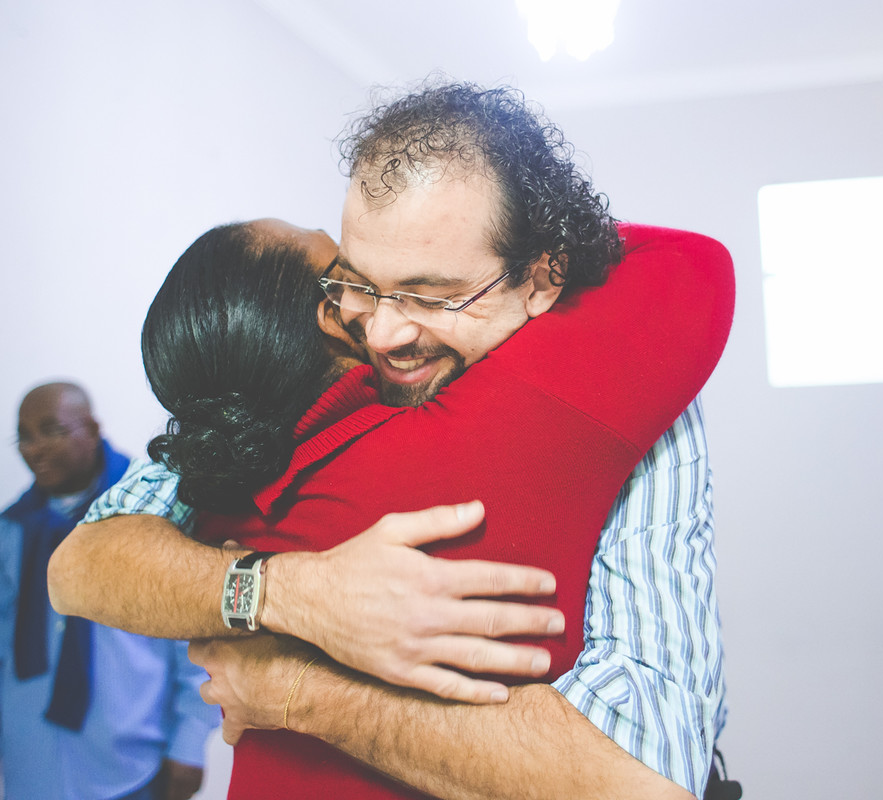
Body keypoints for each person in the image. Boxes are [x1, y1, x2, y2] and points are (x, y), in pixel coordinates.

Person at [49, 81, 731, 798]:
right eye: (358, 285)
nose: (383, 333)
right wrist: (292, 592)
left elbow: (653, 774)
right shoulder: (286, 420)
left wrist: (290, 682)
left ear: (542, 275)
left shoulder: (617, 393)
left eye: (432, 293)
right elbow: (80, 565)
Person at [0, 382, 219, 800]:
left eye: (52, 430)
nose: (36, 448)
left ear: (92, 426)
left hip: (129, 769)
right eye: (24, 437)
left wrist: (189, 747)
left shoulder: (152, 513)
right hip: (31, 768)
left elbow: (192, 642)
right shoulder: (12, 528)